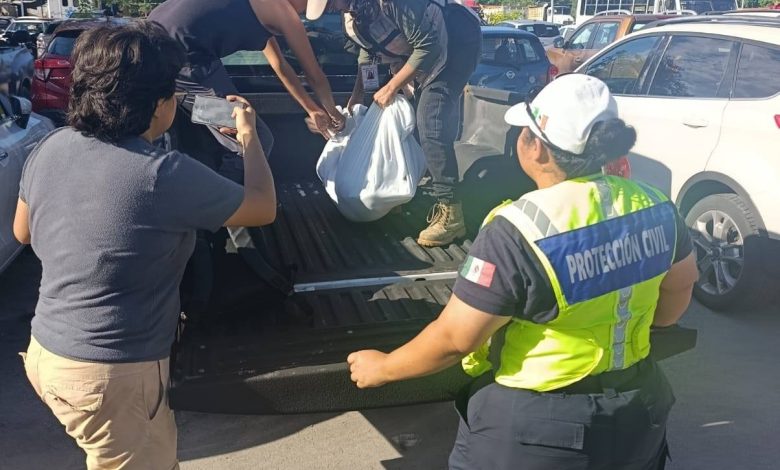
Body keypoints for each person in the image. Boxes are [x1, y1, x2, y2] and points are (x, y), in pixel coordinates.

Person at [347, 74, 699, 469]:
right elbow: (678, 291)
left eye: (525, 130)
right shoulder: (656, 206)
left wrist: (383, 368)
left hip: (539, 427)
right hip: (638, 407)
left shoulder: (520, 227)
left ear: (537, 149)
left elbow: (455, 339)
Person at [13, 22, 276, 470]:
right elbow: (262, 207)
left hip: (46, 355)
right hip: (110, 375)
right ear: (158, 104)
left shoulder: (52, 144)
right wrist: (249, 137)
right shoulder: (162, 173)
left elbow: (25, 232)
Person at [307, 0, 482, 247]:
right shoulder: (352, 11)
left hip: (454, 46)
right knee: (399, 114)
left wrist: (392, 86)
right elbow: (367, 52)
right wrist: (357, 96)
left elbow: (428, 46)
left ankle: (452, 213)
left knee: (429, 119)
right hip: (423, 52)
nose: (332, 10)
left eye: (330, 4)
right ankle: (395, 190)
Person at [149, 0, 345, 167]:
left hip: (155, 41)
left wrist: (313, 109)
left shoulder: (267, 8)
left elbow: (281, 66)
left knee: (202, 139)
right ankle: (240, 206)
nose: (303, 12)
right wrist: (333, 112)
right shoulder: (284, 13)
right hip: (183, 59)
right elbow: (314, 75)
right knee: (254, 140)